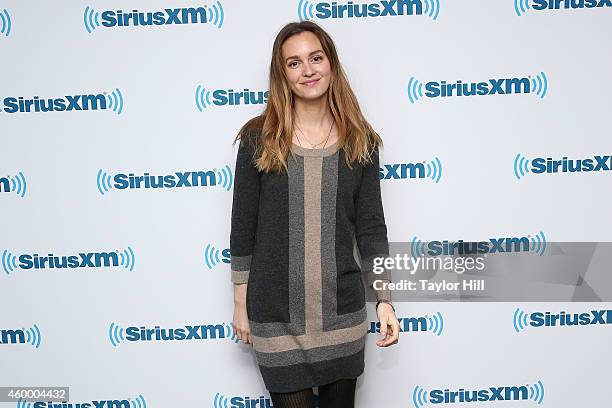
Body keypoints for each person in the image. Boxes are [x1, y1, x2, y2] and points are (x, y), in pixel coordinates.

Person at [229, 20, 400, 408]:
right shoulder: (259, 139)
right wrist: (240, 304)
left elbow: (371, 229)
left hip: (341, 315)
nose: (307, 70)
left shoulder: (362, 141)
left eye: (316, 58)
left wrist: (385, 299)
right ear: (282, 75)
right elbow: (243, 229)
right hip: (275, 317)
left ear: (331, 64)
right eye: (294, 63)